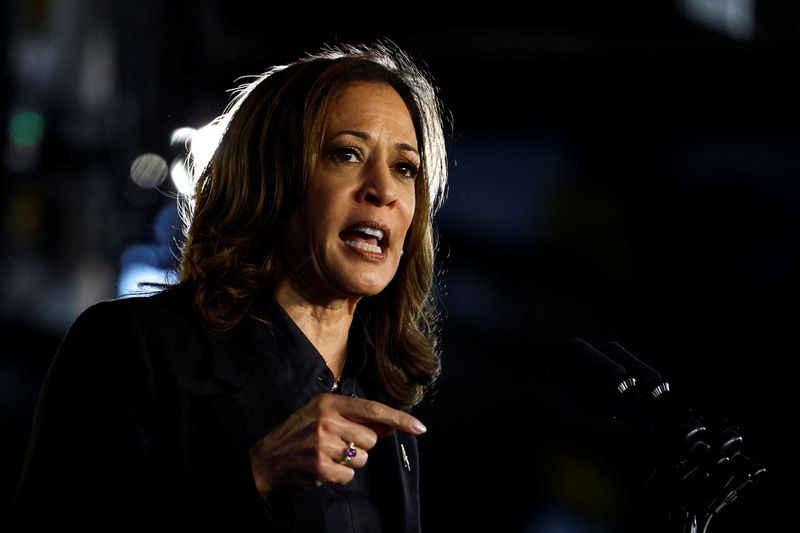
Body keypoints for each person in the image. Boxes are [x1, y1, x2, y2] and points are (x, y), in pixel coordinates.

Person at [11, 40, 449, 532]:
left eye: (405, 168)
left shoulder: (388, 406)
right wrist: (255, 475)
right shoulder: (132, 348)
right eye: (346, 154)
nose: (384, 190)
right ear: (268, 178)